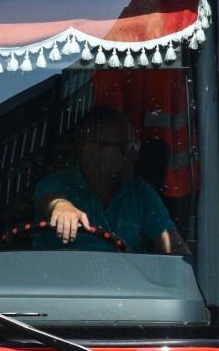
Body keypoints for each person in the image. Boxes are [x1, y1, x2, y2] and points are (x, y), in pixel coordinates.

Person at [33, 106, 181, 254]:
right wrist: (62, 207)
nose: (134, 155)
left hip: (125, 270)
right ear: (91, 150)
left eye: (134, 146)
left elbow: (172, 243)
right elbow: (51, 199)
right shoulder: (57, 183)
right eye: (123, 147)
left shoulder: (141, 194)